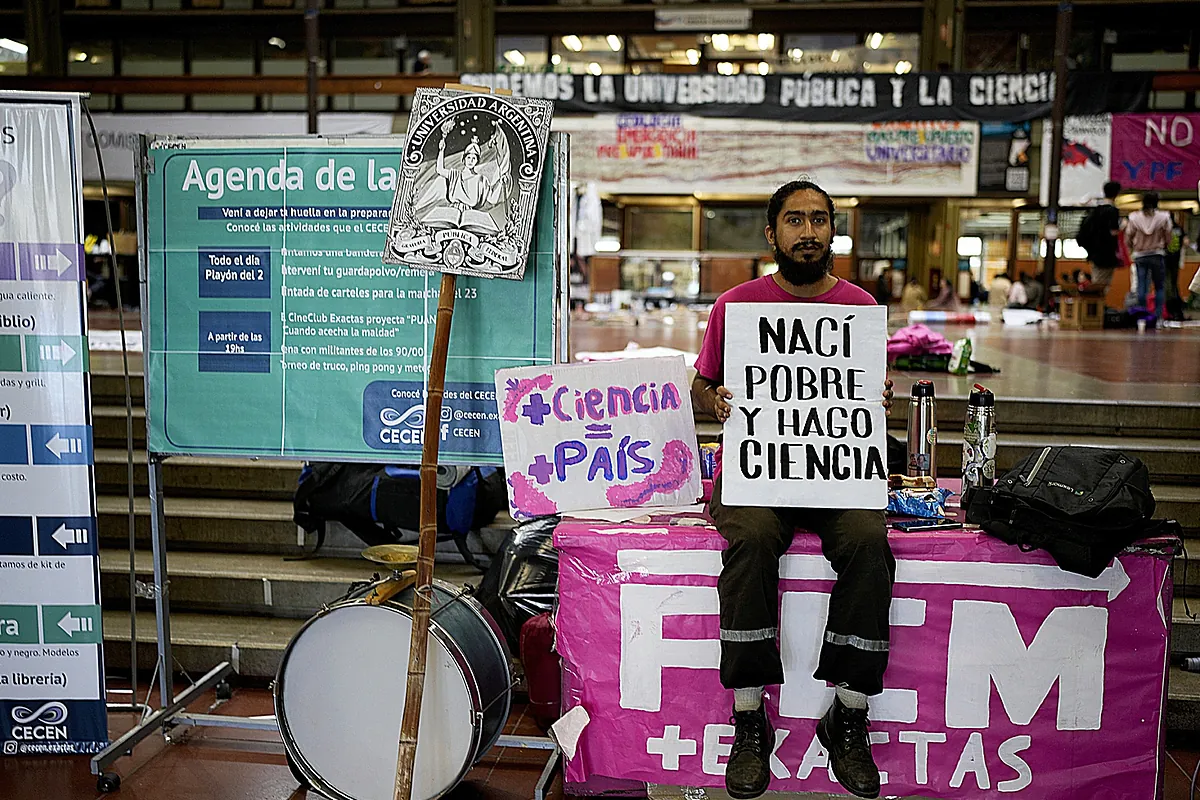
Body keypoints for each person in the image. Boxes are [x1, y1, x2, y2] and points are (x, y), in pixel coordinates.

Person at [690, 180, 896, 800]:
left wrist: (875, 398)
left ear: (832, 229)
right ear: (772, 232)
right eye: (795, 221)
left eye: (818, 220)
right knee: (750, 538)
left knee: (868, 540)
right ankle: (750, 716)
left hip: (836, 470)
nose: (808, 231)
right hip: (757, 470)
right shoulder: (735, 306)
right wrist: (715, 397)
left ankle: (849, 711)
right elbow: (701, 384)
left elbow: (865, 390)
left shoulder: (860, 306)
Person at [1125, 191, 1172, 321]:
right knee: (1159, 286)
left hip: (1140, 255)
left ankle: (1142, 316)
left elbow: (1128, 236)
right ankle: (1158, 317)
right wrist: (1164, 246)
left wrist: (1131, 248)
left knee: (1141, 287)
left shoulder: (1134, 217)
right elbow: (1168, 237)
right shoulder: (1164, 217)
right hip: (1157, 254)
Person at [1080, 181, 1123, 293]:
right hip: (1107, 254)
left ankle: (1095, 307)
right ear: (1116, 194)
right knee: (1102, 285)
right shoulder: (1112, 211)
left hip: (1094, 253)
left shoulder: (1095, 210)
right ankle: (1097, 308)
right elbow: (1113, 232)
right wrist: (1123, 226)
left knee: (1096, 280)